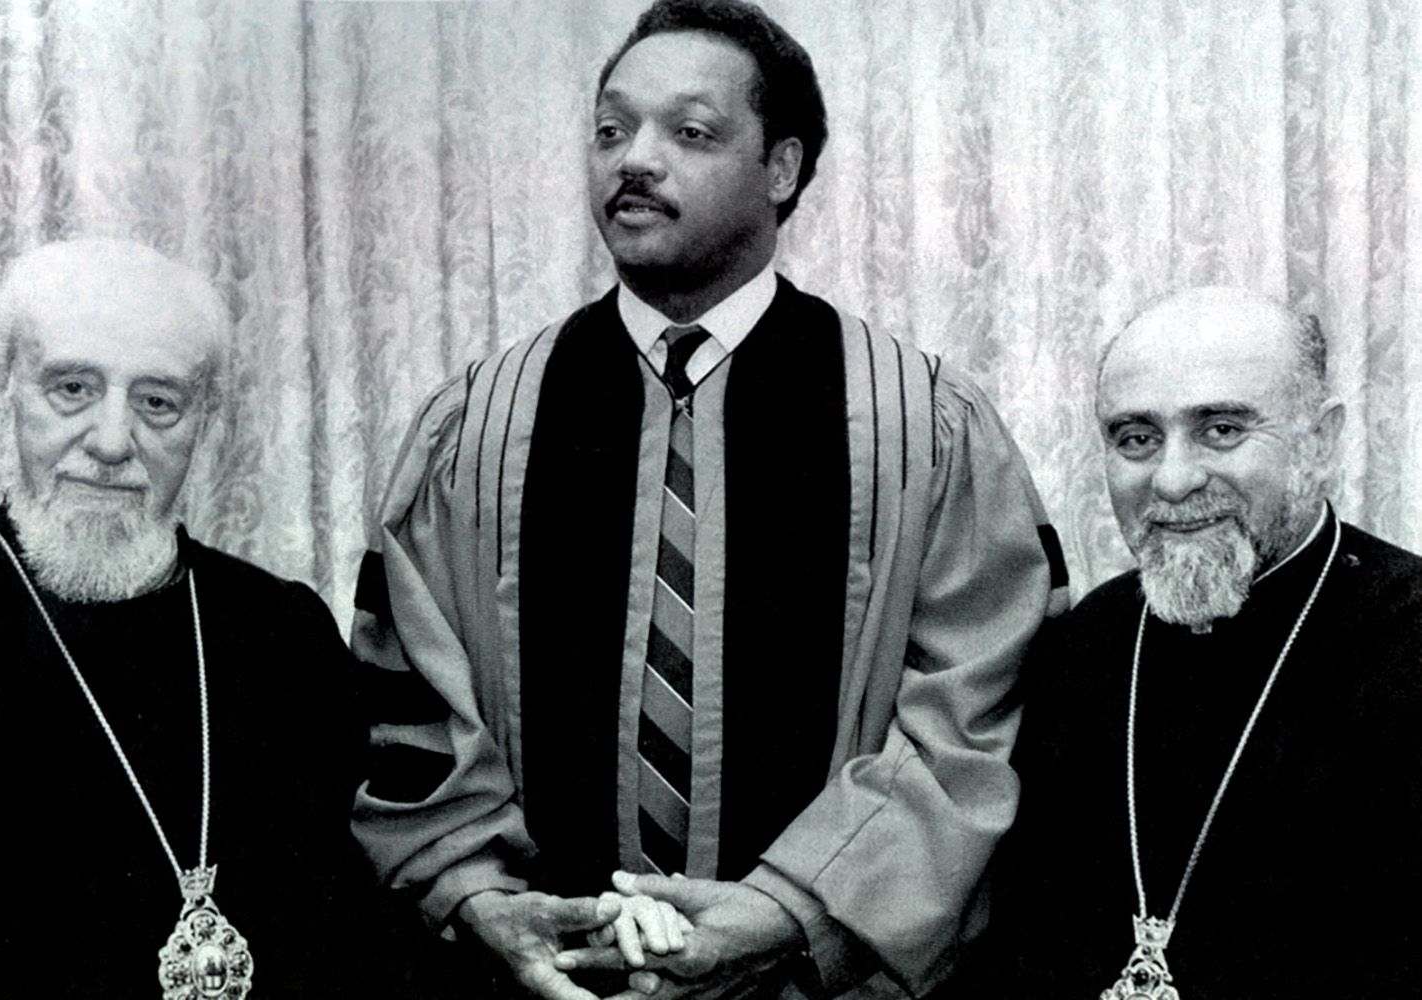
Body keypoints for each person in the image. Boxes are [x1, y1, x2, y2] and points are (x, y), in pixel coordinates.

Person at [350, 2, 1065, 998]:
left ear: (781, 169)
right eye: (611, 129)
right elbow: (407, 700)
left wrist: (793, 912)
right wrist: (476, 894)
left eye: (688, 132)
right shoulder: (475, 426)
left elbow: (979, 715)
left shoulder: (921, 425)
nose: (634, 160)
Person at [0, 238, 405, 999]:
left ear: (206, 419)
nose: (111, 442)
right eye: (72, 389)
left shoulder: (283, 633)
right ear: (5, 391)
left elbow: (358, 929)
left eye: (157, 402)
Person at [944, 287, 1422, 998]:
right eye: (1136, 439)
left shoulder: (1407, 636)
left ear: (1321, 442)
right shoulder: (1084, 645)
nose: (1172, 480)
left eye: (1221, 429)